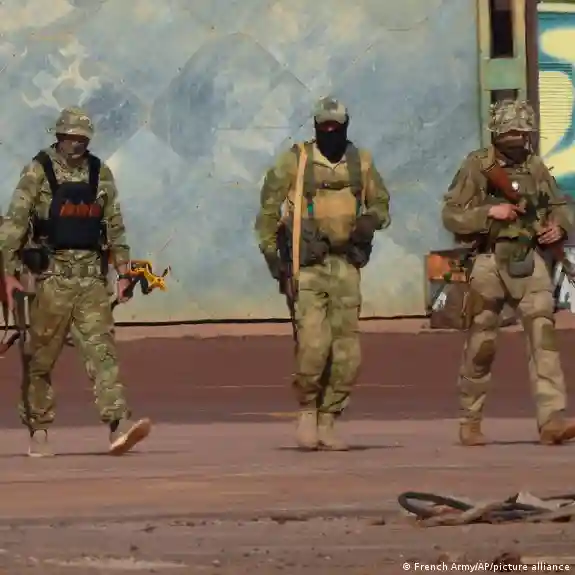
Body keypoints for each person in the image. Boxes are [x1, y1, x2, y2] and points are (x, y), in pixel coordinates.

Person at [0, 107, 151, 457]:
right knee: (39, 359)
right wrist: (8, 274)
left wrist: (124, 272)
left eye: (82, 139)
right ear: (59, 136)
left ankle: (119, 424)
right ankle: (39, 430)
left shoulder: (100, 173)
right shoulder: (38, 170)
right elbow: (14, 224)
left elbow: (114, 225)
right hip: (50, 280)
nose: (76, 144)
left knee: (103, 352)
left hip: (90, 280)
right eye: (70, 138)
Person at [254, 97, 391, 450]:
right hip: (307, 267)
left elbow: (381, 203)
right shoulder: (296, 161)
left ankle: (329, 418)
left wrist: (370, 220)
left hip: (345, 265)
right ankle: (307, 411)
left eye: (336, 126)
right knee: (313, 345)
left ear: (346, 125)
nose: (330, 131)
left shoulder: (361, 162)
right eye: (324, 126)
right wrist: (274, 260)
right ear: (316, 126)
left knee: (347, 352)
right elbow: (267, 213)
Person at [441, 98, 575, 446]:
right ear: (497, 134)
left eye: (521, 133)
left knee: (543, 337)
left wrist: (559, 227)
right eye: (510, 134)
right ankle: (470, 419)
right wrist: (489, 213)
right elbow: (451, 215)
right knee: (482, 343)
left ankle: (552, 420)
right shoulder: (477, 166)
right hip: (488, 262)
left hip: (529, 260)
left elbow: (560, 205)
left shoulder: (535, 166)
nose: (517, 140)